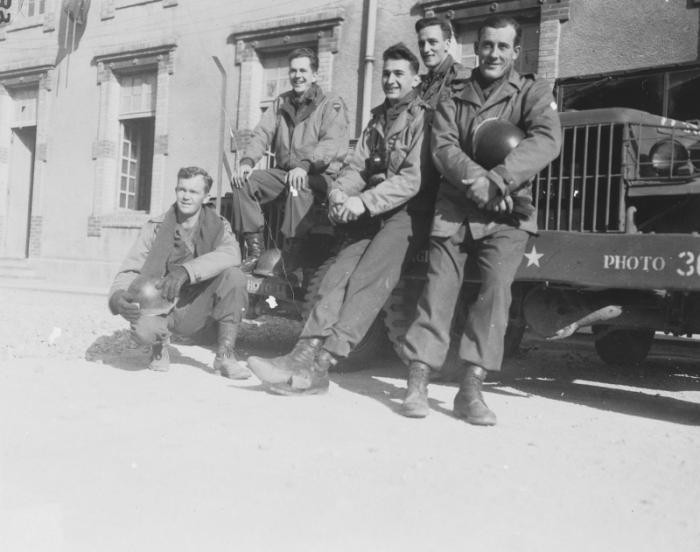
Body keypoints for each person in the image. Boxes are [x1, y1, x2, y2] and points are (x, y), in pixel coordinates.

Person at [399, 15, 562, 424]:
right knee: (437, 292)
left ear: (515, 51)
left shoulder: (531, 93)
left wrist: (500, 181)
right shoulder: (456, 93)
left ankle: (471, 389)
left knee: (495, 294)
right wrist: (477, 181)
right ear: (477, 46)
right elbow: (444, 146)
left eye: (503, 47)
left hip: (507, 213)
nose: (493, 54)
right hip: (456, 207)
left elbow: (547, 139)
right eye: (487, 45)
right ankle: (417, 381)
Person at [246, 43, 430, 395]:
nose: (390, 80)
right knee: (335, 275)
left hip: (408, 212)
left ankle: (322, 364)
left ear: (415, 79)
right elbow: (356, 165)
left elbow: (411, 178)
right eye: (387, 74)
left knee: (366, 281)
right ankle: (303, 352)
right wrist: (340, 193)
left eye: (398, 74)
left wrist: (363, 203)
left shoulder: (423, 117)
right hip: (372, 209)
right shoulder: (378, 119)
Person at [108, 166, 251, 379]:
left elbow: (232, 253)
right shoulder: (156, 227)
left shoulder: (218, 225)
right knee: (144, 330)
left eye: (193, 192)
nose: (185, 196)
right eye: (181, 189)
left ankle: (225, 355)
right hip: (161, 305)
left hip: (197, 307)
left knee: (234, 276)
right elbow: (130, 268)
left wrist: (186, 271)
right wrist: (117, 297)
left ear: (206, 196)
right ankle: (158, 347)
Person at [231, 48, 349, 273]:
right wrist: (246, 162)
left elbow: (330, 145)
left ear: (314, 75)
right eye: (293, 71)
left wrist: (305, 166)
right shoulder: (281, 102)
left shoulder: (331, 104)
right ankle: (255, 251)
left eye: (303, 70)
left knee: (297, 186)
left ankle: (291, 253)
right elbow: (262, 133)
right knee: (243, 182)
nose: (297, 76)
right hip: (287, 172)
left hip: (321, 174)